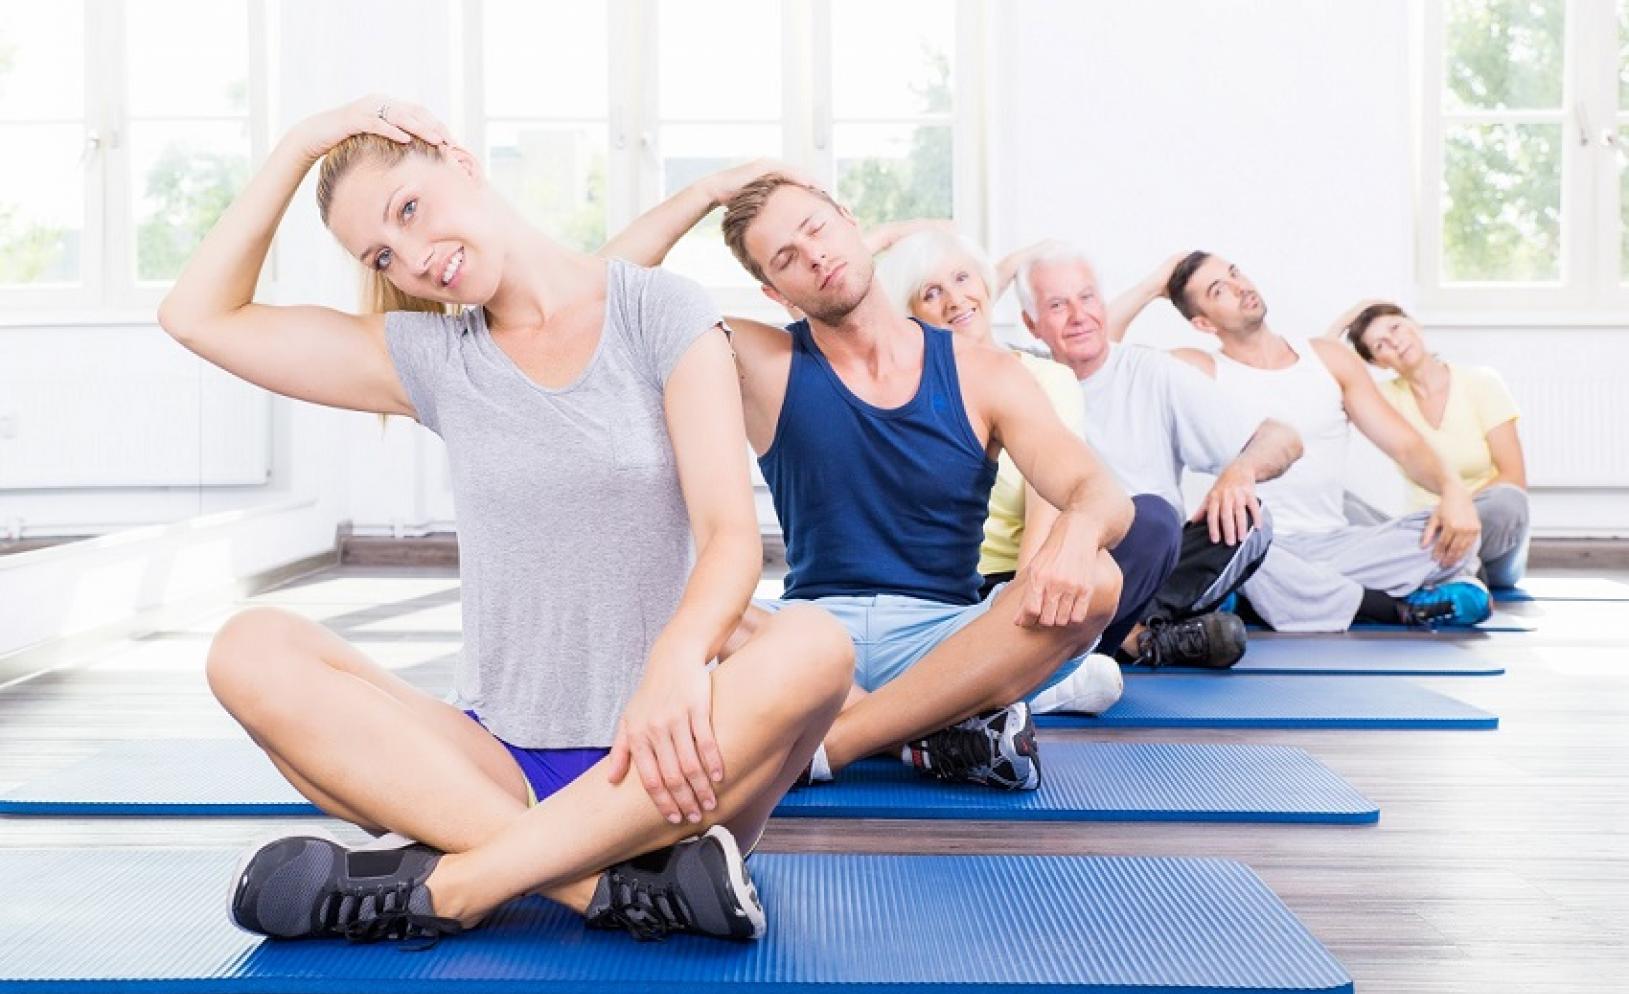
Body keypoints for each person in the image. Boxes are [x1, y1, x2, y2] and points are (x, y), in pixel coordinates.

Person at [156, 96, 854, 947]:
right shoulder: (434, 358)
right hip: (495, 766)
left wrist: (675, 666)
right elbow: (198, 317)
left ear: (459, 161)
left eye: (409, 209)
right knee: (250, 649)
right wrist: (301, 143)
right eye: (383, 253)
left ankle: (450, 887)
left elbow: (729, 538)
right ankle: (600, 888)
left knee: (816, 645)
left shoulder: (658, 310)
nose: (414, 258)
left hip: (667, 762)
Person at [609, 170, 1150, 790]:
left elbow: (1099, 491)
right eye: (787, 257)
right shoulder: (756, 359)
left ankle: (834, 743)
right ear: (774, 290)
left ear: (850, 221)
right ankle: (929, 735)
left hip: (948, 642)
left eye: (816, 229)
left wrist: (1078, 533)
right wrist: (705, 194)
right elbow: (604, 298)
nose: (813, 256)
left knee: (1101, 579)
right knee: (659, 589)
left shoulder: (985, 371)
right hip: (805, 640)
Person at [870, 226, 1235, 674]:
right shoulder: (905, 390)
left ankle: (1032, 665)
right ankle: (1049, 669)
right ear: (909, 312)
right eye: (930, 292)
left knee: (1153, 521)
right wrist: (888, 234)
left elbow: (1049, 500)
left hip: (1029, 583)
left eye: (964, 279)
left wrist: (1018, 615)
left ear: (985, 284)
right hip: (941, 590)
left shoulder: (1044, 378)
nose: (954, 300)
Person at [997, 241, 1304, 663]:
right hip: (1059, 568)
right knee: (1149, 523)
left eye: (1087, 298)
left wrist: (1240, 471)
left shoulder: (1151, 371)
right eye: (1056, 305)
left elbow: (1283, 436)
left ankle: (1121, 633)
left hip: (1147, 559)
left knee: (1243, 519)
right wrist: (1019, 257)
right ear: (1031, 324)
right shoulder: (1018, 376)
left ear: (1103, 303)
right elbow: (955, 326)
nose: (1078, 315)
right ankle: (1138, 639)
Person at [1155, 251, 1491, 632]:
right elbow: (1106, 366)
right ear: (1202, 322)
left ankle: (1251, 597)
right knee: (1224, 555)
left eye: (1236, 273)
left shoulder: (1328, 358)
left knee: (1442, 530)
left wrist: (1455, 493)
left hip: (1334, 542)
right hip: (1256, 545)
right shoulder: (1198, 369)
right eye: (1219, 290)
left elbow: (1406, 447)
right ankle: (1389, 607)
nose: (1240, 287)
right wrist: (1155, 284)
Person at [1338, 302, 1529, 588]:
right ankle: (1451, 572)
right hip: (1422, 531)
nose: (1395, 342)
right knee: (1337, 500)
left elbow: (1513, 476)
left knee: (1509, 500)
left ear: (1414, 324)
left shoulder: (1481, 382)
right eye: (1381, 345)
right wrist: (1342, 322)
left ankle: (1429, 570)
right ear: (1377, 363)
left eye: (1395, 327)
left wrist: (1453, 508)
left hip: (1482, 529)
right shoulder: (1381, 398)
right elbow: (1320, 385)